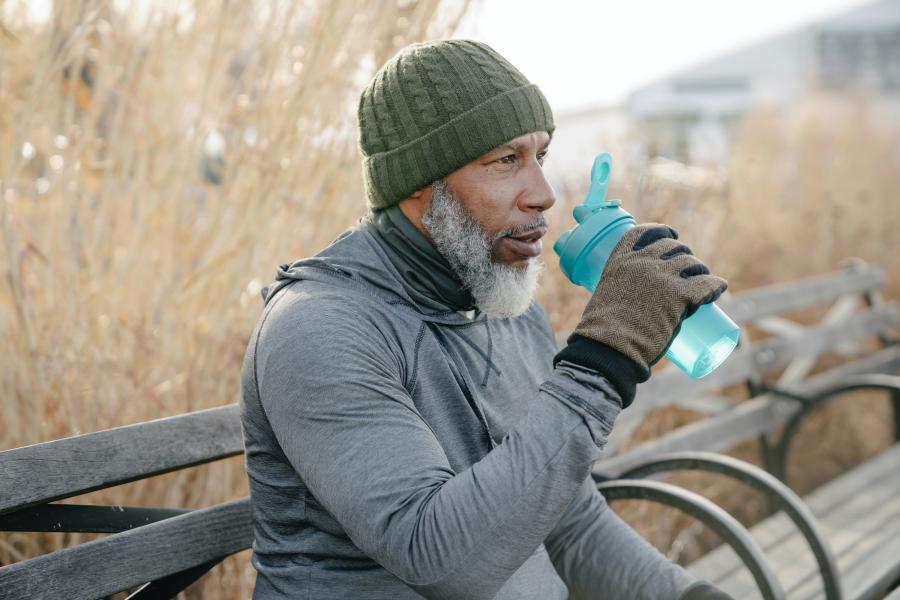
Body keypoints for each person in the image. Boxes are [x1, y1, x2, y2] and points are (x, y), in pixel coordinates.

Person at [240, 39, 732, 600]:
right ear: (419, 181)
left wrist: (691, 595)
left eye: (540, 157)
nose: (544, 194)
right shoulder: (321, 328)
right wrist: (602, 363)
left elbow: (569, 524)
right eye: (505, 160)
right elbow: (442, 562)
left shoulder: (503, 304)